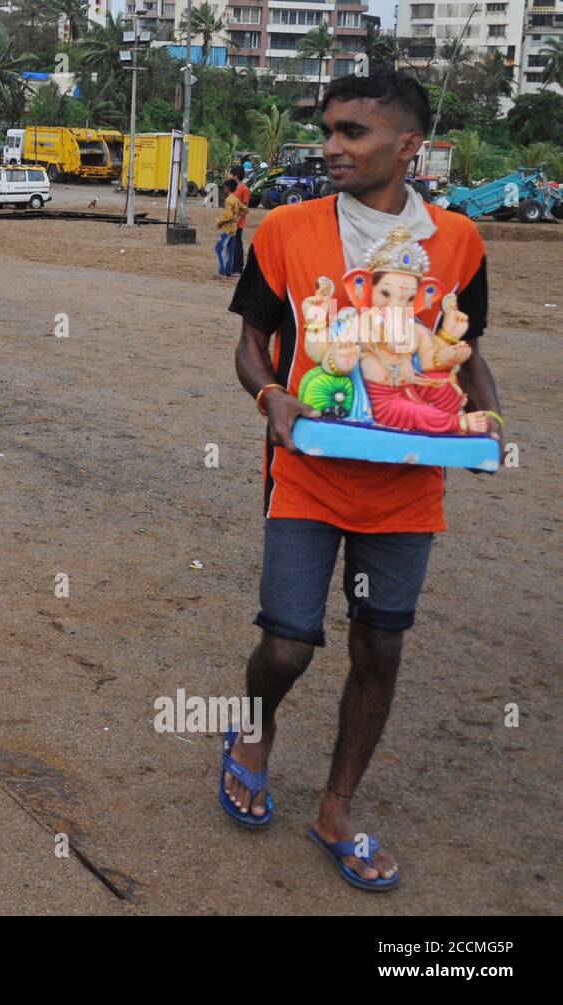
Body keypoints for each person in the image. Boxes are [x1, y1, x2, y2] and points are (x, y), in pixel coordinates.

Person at [225, 73, 503, 890]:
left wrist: (487, 417)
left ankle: (337, 804)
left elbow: (464, 344)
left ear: (409, 146)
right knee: (286, 643)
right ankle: (253, 730)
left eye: (353, 133)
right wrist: (271, 393)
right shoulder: (285, 229)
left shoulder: (458, 242)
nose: (332, 147)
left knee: (380, 645)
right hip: (307, 469)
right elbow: (251, 342)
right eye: (328, 130)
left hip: (411, 480)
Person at [214, 178, 240, 278]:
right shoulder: (236, 199)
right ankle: (228, 271)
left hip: (228, 228)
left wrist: (219, 222)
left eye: (224, 187)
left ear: (228, 188)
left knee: (218, 248)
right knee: (229, 249)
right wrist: (236, 219)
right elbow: (244, 210)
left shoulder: (229, 200)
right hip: (233, 227)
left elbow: (228, 216)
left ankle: (222, 271)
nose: (224, 188)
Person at [231, 166, 251, 274]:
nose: (230, 176)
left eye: (231, 174)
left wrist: (237, 221)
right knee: (233, 243)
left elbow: (244, 208)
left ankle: (238, 267)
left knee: (237, 243)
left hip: (238, 222)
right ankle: (235, 266)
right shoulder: (234, 188)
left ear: (236, 176)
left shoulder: (244, 189)